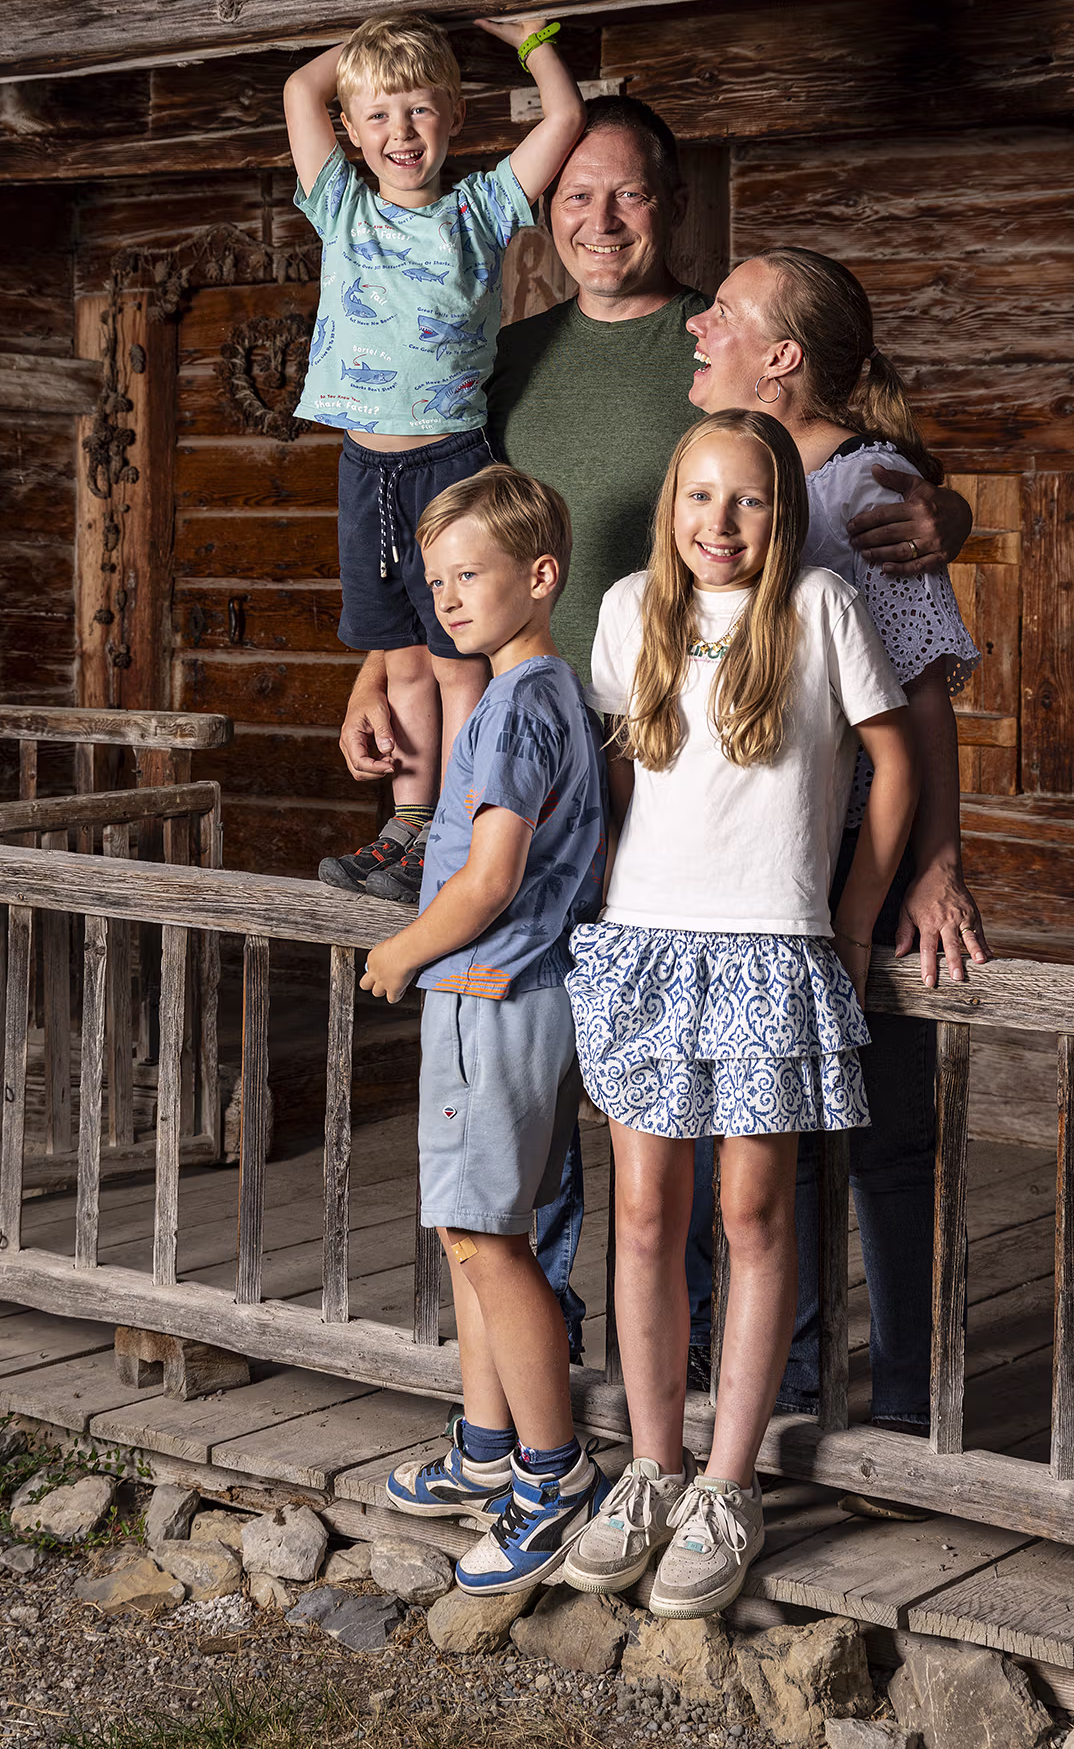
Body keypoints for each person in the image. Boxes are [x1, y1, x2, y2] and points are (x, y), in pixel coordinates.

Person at [335, 98, 975, 1381]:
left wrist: (937, 505)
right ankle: (583, 1362)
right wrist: (386, 652)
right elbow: (436, 509)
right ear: (536, 214)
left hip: (771, 831)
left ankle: (827, 1387)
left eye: (624, 194)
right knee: (608, 1104)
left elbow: (903, 673)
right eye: (571, 195)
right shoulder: (510, 363)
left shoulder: (804, 449)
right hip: (594, 794)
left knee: (773, 1139)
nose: (597, 220)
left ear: (669, 209)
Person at [563, 410, 918, 1615]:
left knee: (751, 1210)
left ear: (783, 513)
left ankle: (726, 1484)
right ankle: (651, 1465)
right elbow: (619, 772)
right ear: (671, 507)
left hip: (772, 941)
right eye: (700, 499)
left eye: (750, 501)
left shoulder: (819, 609)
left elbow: (893, 765)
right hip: (648, 944)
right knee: (645, 1212)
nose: (721, 525)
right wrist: (601, 895)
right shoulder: (627, 612)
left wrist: (856, 914)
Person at [685, 247, 988, 1435]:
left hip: (858, 850)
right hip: (765, 855)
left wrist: (931, 869)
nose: (696, 327)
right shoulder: (734, 480)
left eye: (723, 314)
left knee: (881, 1137)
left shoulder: (861, 488)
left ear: (781, 358)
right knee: (772, 1133)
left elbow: (919, 698)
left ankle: (908, 1407)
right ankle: (791, 1392)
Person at [361, 463, 610, 1594]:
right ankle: (483, 1448)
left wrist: (402, 952)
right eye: (436, 580)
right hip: (512, 998)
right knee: (474, 1230)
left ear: (539, 576)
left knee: (486, 1241)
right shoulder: (552, 691)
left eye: (471, 575)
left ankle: (550, 1477)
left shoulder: (513, 705)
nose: (448, 599)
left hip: (486, 994)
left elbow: (493, 872)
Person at [283, 11, 585, 900]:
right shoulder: (339, 204)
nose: (400, 134)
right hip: (363, 471)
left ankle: (453, 821)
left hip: (453, 466)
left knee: (456, 662)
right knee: (401, 659)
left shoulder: (482, 208)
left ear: (453, 115)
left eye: (418, 110)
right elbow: (302, 88)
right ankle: (405, 830)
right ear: (351, 131)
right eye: (377, 116)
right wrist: (384, 34)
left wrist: (534, 45)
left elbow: (562, 121)